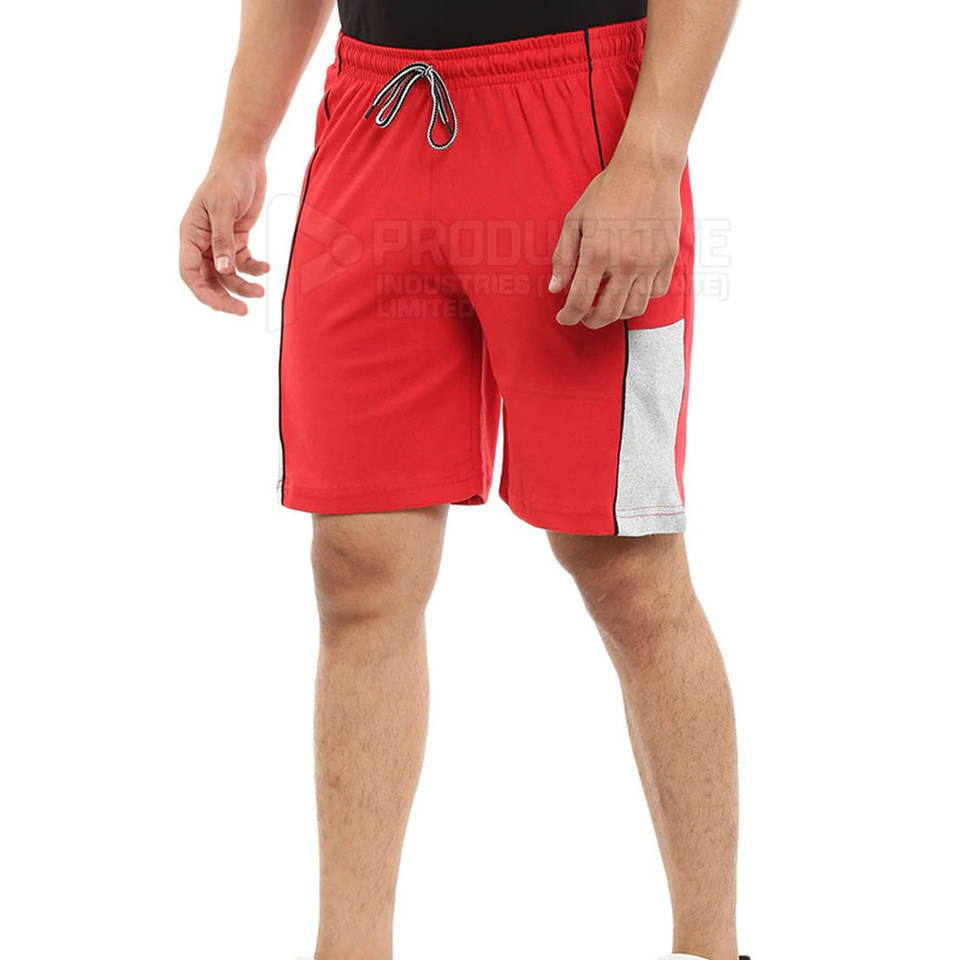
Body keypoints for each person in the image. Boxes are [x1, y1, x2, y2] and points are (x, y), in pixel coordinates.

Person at [179, 0, 744, 957]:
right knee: (358, 569)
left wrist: (652, 155)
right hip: (376, 119)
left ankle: (709, 948)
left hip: (577, 119)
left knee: (627, 564)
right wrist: (239, 144)